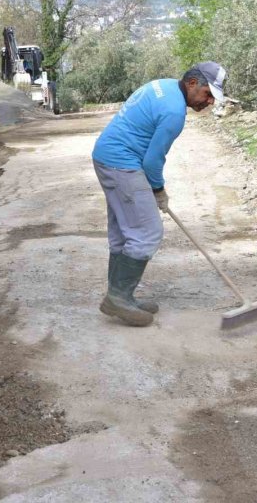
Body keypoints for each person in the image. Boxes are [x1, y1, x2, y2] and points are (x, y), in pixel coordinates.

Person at [91, 62, 227, 327]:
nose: (209, 102)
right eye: (208, 94)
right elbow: (153, 161)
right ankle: (118, 298)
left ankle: (121, 295)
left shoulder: (164, 86)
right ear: (191, 84)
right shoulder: (174, 112)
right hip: (121, 163)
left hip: (107, 156)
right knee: (147, 232)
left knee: (125, 230)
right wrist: (158, 191)